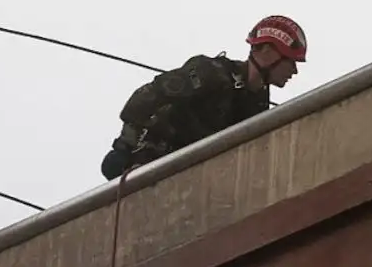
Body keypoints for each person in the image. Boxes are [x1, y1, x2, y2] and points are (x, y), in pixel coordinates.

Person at [99, 16, 306, 179]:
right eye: (290, 61)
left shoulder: (256, 102)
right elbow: (144, 100)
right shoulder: (211, 73)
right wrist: (124, 149)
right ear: (268, 52)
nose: (294, 71)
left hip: (192, 177)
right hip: (154, 165)